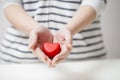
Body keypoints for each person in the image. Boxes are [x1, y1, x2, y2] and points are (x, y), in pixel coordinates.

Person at [0, 0, 107, 67]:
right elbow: (10, 3)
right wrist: (34, 28)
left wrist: (69, 29)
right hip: (18, 61)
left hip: (86, 64)